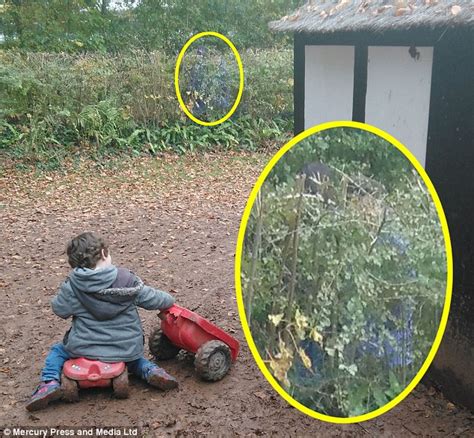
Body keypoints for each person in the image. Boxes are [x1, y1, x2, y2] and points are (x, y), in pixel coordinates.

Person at [26, 232, 178, 411]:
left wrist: (67, 288)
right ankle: (150, 371)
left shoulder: (74, 286)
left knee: (58, 352)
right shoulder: (126, 281)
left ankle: (49, 382)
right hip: (124, 346)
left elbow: (60, 309)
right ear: (104, 254)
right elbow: (153, 298)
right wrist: (169, 300)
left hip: (84, 347)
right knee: (135, 359)